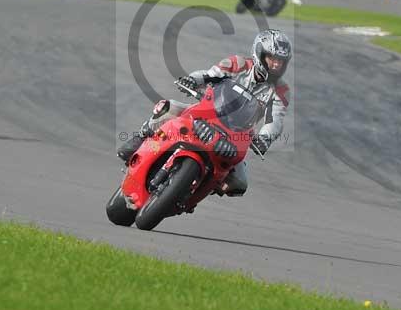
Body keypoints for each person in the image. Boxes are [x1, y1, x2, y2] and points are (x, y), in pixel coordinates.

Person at [117, 29, 292, 197]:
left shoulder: (281, 90)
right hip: (206, 113)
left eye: (281, 61)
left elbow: (275, 119)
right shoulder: (237, 64)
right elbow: (209, 74)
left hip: (237, 134)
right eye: (271, 58)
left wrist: (265, 137)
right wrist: (193, 80)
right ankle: (140, 137)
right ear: (259, 53)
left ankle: (199, 186)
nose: (276, 64)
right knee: (166, 108)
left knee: (239, 183)